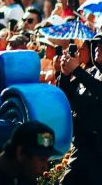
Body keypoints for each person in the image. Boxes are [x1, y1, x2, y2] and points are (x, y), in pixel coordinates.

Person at [56, 34, 102, 183]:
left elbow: (99, 90)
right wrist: (65, 74)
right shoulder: (90, 73)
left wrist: (77, 71)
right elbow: (67, 97)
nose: (98, 49)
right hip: (81, 144)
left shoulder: (85, 75)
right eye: (96, 45)